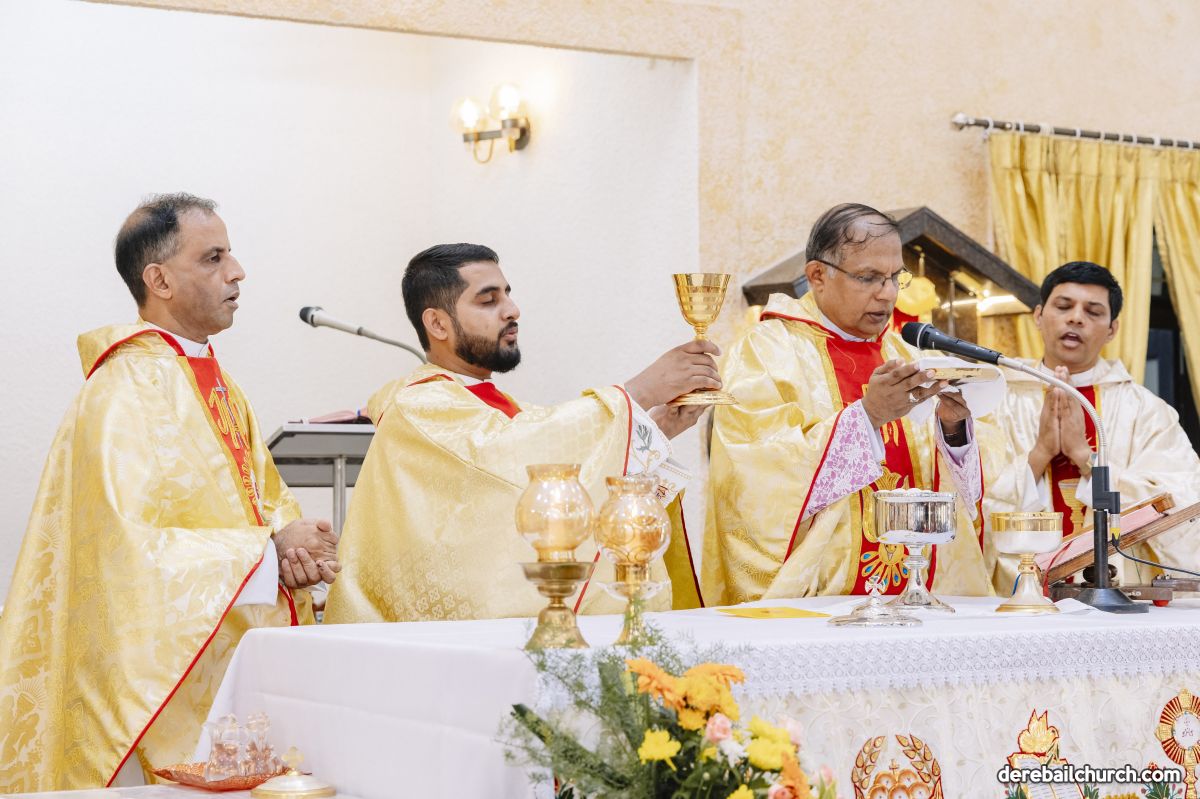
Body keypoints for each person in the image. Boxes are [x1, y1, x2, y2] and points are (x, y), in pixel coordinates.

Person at [0, 194, 339, 791]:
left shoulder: (219, 383)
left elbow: (263, 501)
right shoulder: (120, 390)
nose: (237, 272)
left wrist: (296, 544)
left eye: (231, 255)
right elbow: (121, 552)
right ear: (158, 280)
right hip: (159, 683)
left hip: (235, 657)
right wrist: (269, 553)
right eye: (213, 258)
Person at [323, 243, 715, 623]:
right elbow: (510, 457)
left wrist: (657, 427)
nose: (512, 310)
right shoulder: (418, 407)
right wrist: (638, 393)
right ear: (438, 324)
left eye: (508, 294)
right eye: (488, 300)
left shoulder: (500, 409)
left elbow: (549, 478)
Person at [703, 203, 993, 604]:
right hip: (820, 601)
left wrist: (953, 430)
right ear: (817, 276)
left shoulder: (906, 355)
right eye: (868, 277)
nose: (887, 293)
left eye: (895, 277)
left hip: (916, 594)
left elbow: (956, 491)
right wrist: (868, 416)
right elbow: (752, 478)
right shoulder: (767, 352)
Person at [983, 261, 1200, 592]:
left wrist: (1085, 458)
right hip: (1016, 596)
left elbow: (1180, 505)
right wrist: (1040, 454)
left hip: (1118, 593)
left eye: (1093, 311)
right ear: (1038, 316)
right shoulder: (998, 402)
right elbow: (972, 504)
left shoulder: (1145, 411)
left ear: (1112, 329)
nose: (1076, 318)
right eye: (1063, 306)